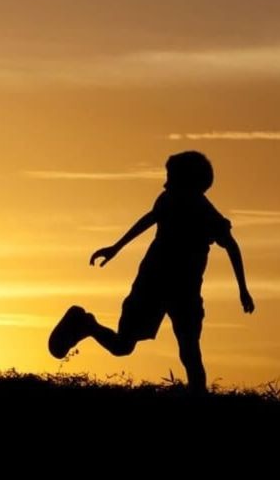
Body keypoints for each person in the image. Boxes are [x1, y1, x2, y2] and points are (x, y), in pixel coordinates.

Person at [47, 151, 255, 394]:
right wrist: (116, 247)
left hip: (185, 292)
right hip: (151, 285)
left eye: (171, 178)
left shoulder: (207, 215)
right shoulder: (167, 200)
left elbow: (232, 247)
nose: (165, 184)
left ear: (190, 182)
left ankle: (199, 398)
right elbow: (149, 219)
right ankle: (86, 324)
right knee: (123, 347)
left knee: (190, 351)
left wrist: (243, 289)